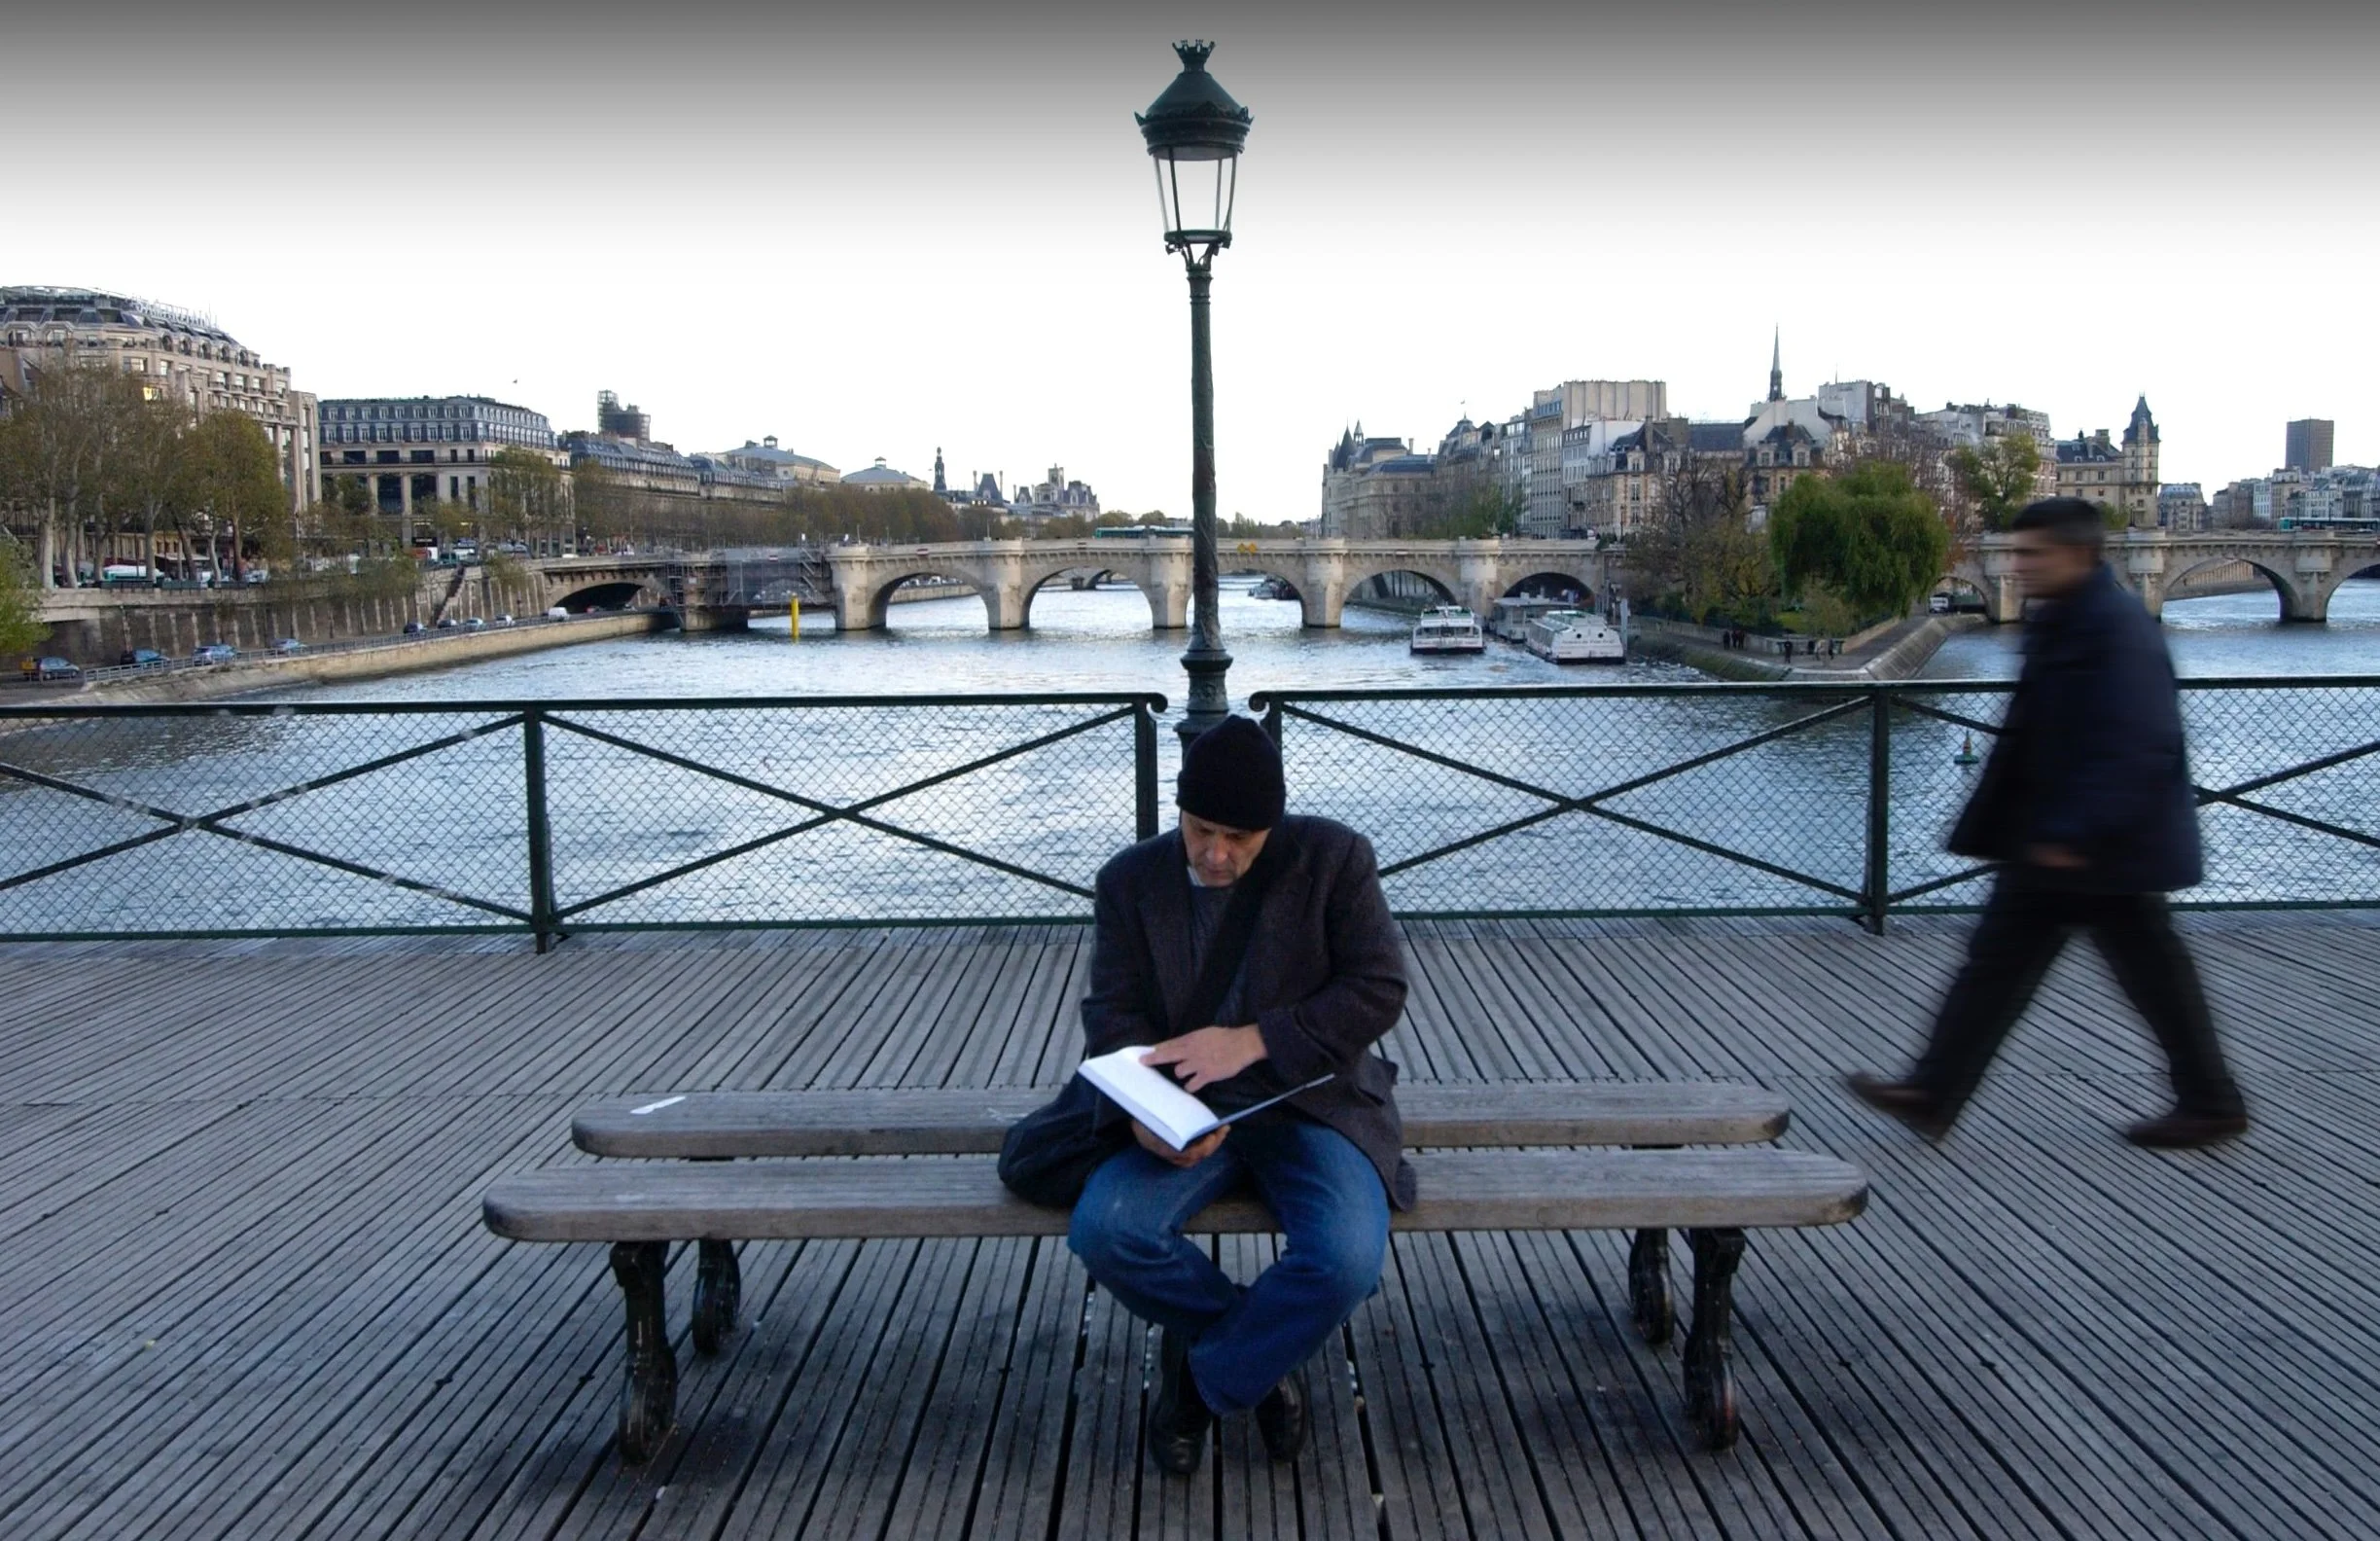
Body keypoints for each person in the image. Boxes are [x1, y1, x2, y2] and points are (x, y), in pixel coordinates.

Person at [1067, 714, 1410, 1475]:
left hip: (1312, 1100)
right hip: (1184, 1106)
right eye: (1199, 831)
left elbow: (1378, 987)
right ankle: (1258, 1359)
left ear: (1272, 827)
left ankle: (1199, 1380)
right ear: (1178, 809)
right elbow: (1112, 1014)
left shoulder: (1333, 859)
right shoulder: (1129, 880)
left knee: (1345, 1259)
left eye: (1239, 839)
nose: (1215, 854)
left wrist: (1255, 1039)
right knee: (1106, 1231)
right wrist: (1142, 1114)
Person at [1847, 497, 2248, 1148]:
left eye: (2033, 554)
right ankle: (1933, 1091)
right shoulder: (2070, 618)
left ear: (2078, 554)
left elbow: (2138, 741)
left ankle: (2210, 1100)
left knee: (2137, 975)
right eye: (2016, 552)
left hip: (2096, 846)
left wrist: (2075, 833)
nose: (2017, 565)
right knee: (2006, 965)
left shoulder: (2113, 627)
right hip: (2059, 836)